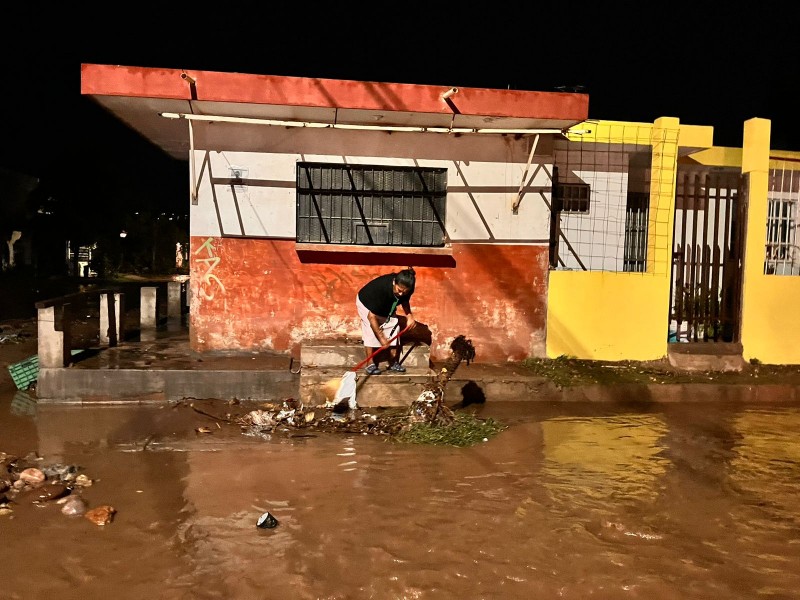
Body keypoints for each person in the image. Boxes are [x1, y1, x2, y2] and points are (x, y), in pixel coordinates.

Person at [356, 267, 418, 375]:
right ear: (394, 282)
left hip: (386, 305)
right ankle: (370, 363)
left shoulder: (407, 288)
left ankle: (393, 362)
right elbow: (371, 317)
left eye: (405, 292)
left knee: (394, 326)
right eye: (399, 290)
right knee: (370, 330)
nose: (401, 294)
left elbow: (404, 300)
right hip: (366, 303)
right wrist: (382, 339)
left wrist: (409, 316)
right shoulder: (383, 289)